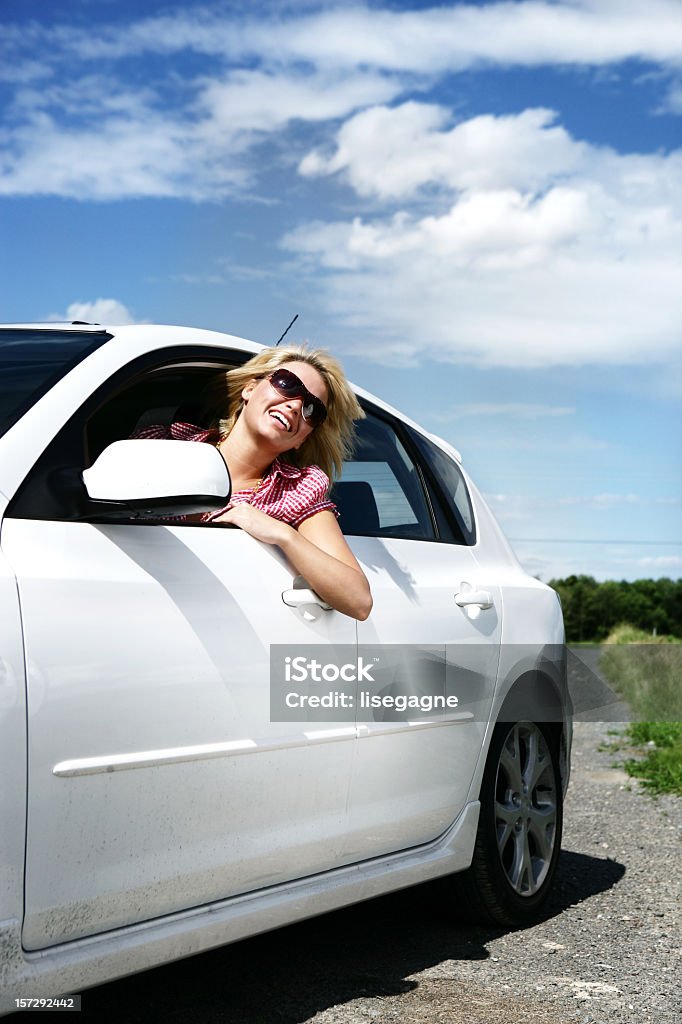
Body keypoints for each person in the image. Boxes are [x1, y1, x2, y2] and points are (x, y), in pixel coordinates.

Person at [135, 346, 373, 621]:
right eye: (287, 384)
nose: (295, 405)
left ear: (303, 438)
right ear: (249, 389)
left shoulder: (297, 491)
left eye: (311, 409)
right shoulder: (164, 445)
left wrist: (282, 534)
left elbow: (359, 600)